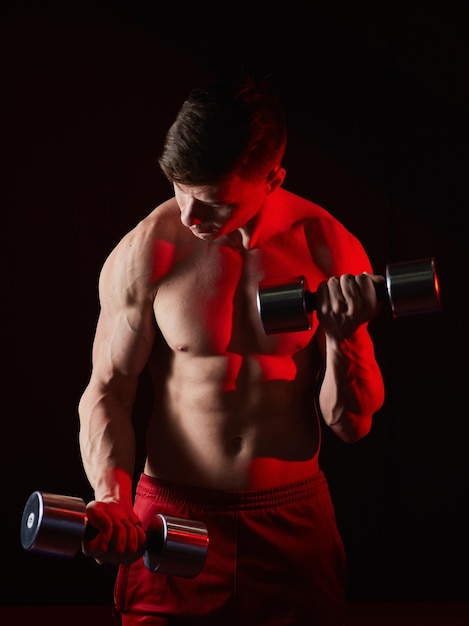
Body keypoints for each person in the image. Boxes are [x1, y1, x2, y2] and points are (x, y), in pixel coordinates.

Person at [78, 74, 385, 626]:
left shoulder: (326, 245)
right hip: (171, 515)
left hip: (291, 522)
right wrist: (109, 497)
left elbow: (352, 423)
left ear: (273, 178)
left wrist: (346, 333)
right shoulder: (150, 250)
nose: (191, 216)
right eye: (181, 190)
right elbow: (106, 393)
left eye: (214, 203)